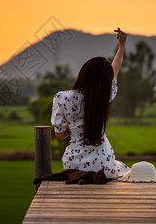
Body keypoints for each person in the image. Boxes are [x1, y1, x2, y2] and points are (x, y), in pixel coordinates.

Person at [50, 28, 130, 179]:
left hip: (73, 166)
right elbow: (116, 70)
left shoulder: (63, 97)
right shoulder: (104, 97)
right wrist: (122, 46)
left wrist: (74, 126)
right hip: (103, 166)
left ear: (84, 73)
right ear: (105, 83)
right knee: (124, 169)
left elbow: (59, 136)